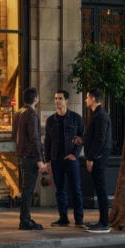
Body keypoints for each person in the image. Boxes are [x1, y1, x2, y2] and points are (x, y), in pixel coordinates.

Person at [43, 89, 84, 228]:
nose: (57, 101)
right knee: (60, 190)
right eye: (55, 98)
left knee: (76, 189)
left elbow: (82, 138)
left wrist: (75, 154)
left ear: (66, 100)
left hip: (71, 160)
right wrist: (47, 160)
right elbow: (47, 141)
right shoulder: (51, 120)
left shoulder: (76, 118)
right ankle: (63, 218)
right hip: (56, 159)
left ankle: (79, 219)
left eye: (60, 98)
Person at [13, 87, 45, 230]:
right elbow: (35, 138)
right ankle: (25, 220)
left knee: (26, 188)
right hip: (30, 157)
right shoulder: (31, 115)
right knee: (28, 190)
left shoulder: (18, 113)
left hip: (21, 155)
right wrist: (40, 160)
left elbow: (15, 134)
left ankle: (25, 218)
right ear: (36, 98)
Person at [82, 88, 112, 233]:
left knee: (101, 191)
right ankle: (102, 221)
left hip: (98, 159)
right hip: (97, 157)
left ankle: (104, 222)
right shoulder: (97, 115)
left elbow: (100, 139)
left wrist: (91, 158)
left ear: (93, 98)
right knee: (100, 190)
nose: (85, 100)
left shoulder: (100, 115)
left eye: (87, 97)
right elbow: (94, 138)